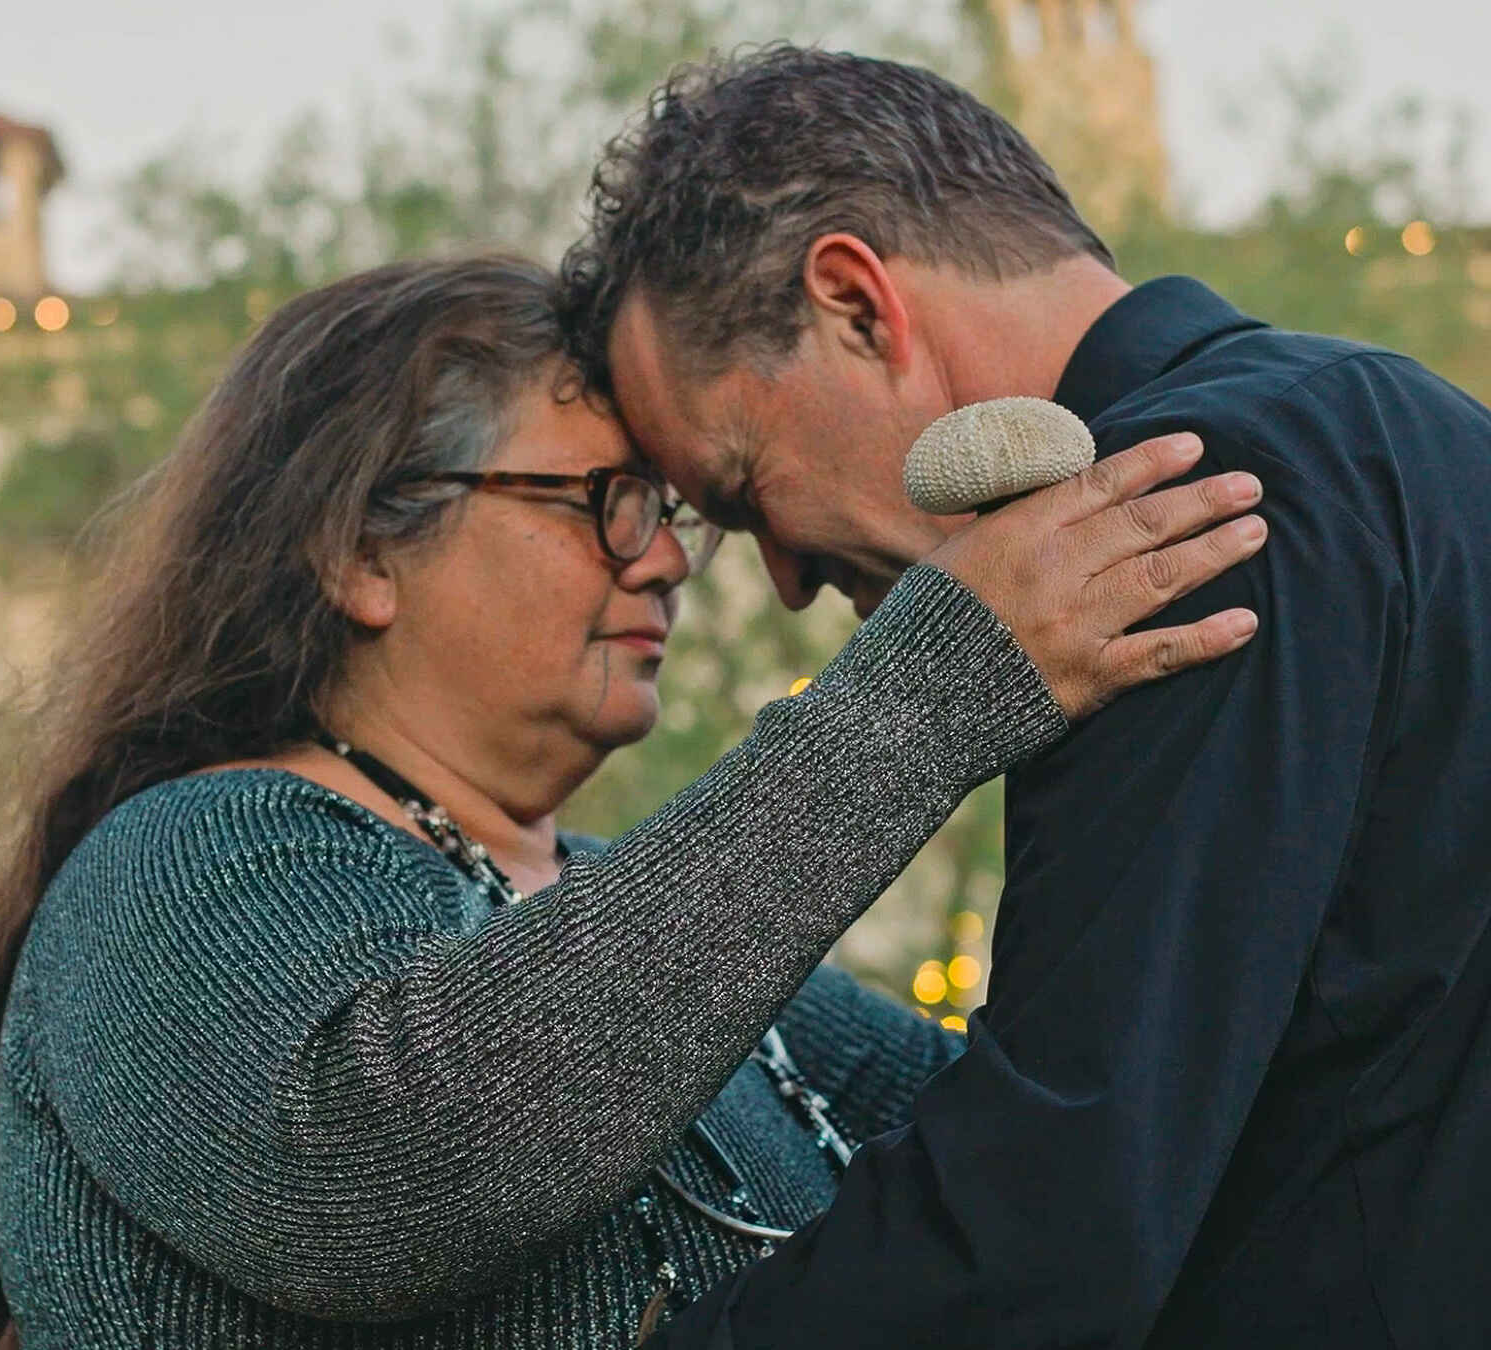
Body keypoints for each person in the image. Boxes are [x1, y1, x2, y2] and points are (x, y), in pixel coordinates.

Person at [0, 256, 1263, 1350]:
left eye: (669, 510)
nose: (670, 561)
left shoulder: (670, 947)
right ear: (361, 551)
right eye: (605, 501)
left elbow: (1039, 1147)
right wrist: (936, 686)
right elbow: (388, 1163)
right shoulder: (178, 866)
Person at [561, 45, 1491, 1350]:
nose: (778, 577)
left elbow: (1046, 1223)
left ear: (854, 303)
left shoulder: (1167, 506)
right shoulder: (1420, 422)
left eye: (739, 485)